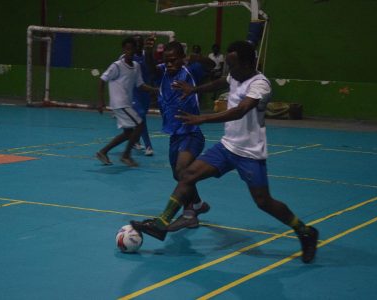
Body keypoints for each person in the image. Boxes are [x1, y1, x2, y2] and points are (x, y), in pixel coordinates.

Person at [131, 41, 319, 264]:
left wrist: (202, 118)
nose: (229, 71)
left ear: (248, 63)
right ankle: (162, 224)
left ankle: (305, 231)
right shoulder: (235, 76)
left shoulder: (260, 84)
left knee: (263, 201)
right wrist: (195, 89)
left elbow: (240, 110)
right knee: (187, 175)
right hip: (227, 146)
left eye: (233, 65)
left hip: (249, 152)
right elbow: (222, 81)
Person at [144, 40, 212, 229]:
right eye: (166, 61)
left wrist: (196, 58)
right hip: (174, 135)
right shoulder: (162, 72)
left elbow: (211, 65)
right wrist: (148, 50)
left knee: (183, 169)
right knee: (179, 175)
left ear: (182, 59)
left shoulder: (191, 71)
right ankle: (197, 205)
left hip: (192, 133)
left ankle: (189, 214)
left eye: (174, 60)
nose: (170, 64)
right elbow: (150, 68)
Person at [96, 37, 157, 167]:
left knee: (128, 133)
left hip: (126, 104)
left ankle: (103, 152)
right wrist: (101, 101)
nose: (129, 51)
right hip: (119, 103)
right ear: (124, 50)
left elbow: (140, 85)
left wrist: (155, 90)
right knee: (139, 125)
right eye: (126, 49)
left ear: (135, 49)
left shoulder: (136, 66)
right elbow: (102, 80)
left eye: (132, 49)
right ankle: (126, 155)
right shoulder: (117, 66)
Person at [131, 35, 155, 156]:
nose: (138, 44)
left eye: (140, 42)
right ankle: (148, 146)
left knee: (140, 117)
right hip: (134, 92)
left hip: (146, 91)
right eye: (136, 43)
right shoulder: (128, 57)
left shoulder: (147, 55)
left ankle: (136, 140)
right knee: (141, 117)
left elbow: (152, 69)